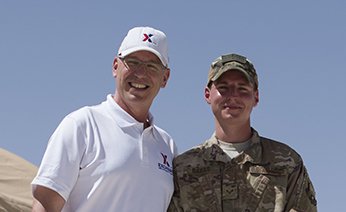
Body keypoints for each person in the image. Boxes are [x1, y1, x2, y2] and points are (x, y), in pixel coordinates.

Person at [32, 26, 177, 212]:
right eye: (132, 62)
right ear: (115, 66)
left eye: (152, 66)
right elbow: (44, 206)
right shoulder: (82, 125)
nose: (141, 73)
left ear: (165, 78)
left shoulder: (167, 146)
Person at [168, 53, 317, 212]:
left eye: (242, 88)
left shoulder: (286, 163)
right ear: (207, 95)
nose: (233, 95)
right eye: (223, 88)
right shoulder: (184, 168)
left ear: (256, 97)